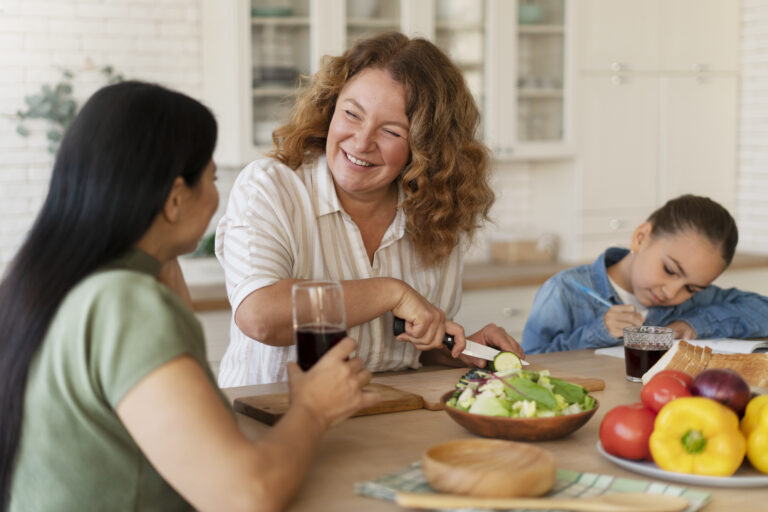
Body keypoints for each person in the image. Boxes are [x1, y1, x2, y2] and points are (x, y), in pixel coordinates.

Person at [0, 81, 379, 511]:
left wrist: (162, 250)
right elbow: (247, 495)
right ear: (175, 199)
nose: (217, 196)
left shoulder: (53, 283)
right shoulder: (124, 302)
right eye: (211, 178)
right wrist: (312, 409)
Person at [215, 31, 523, 386]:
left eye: (391, 132)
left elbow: (402, 345)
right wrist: (390, 292)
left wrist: (455, 349)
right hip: (271, 414)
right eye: (352, 114)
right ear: (330, 107)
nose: (361, 142)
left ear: (427, 147)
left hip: (386, 410)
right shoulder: (270, 187)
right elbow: (261, 317)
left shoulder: (436, 213)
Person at [522, 194, 768, 353]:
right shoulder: (565, 291)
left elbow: (762, 309)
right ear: (640, 238)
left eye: (691, 288)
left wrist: (694, 324)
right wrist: (597, 333)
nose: (672, 293)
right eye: (670, 270)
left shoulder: (696, 301)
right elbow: (528, 365)